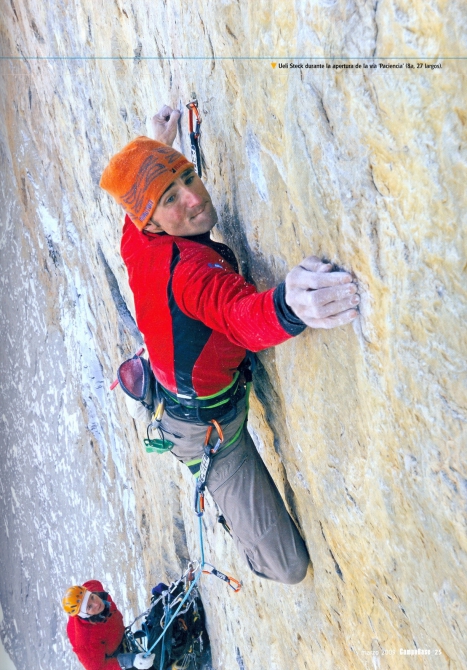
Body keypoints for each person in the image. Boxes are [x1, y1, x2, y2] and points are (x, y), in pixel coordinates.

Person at [99, 105, 360, 585]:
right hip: (212, 434)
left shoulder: (140, 236)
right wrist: (290, 305)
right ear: (153, 223)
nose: (194, 201)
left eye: (188, 180)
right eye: (171, 199)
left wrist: (158, 145)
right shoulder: (191, 277)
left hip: (187, 387)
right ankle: (237, 527)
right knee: (289, 566)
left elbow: (135, 209)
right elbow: (240, 318)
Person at [62, 581, 155, 669]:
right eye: (89, 607)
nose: (97, 604)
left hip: (114, 636)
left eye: (92, 597)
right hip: (110, 655)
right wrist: (130, 661)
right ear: (85, 615)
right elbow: (98, 668)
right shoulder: (86, 641)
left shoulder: (95, 588)